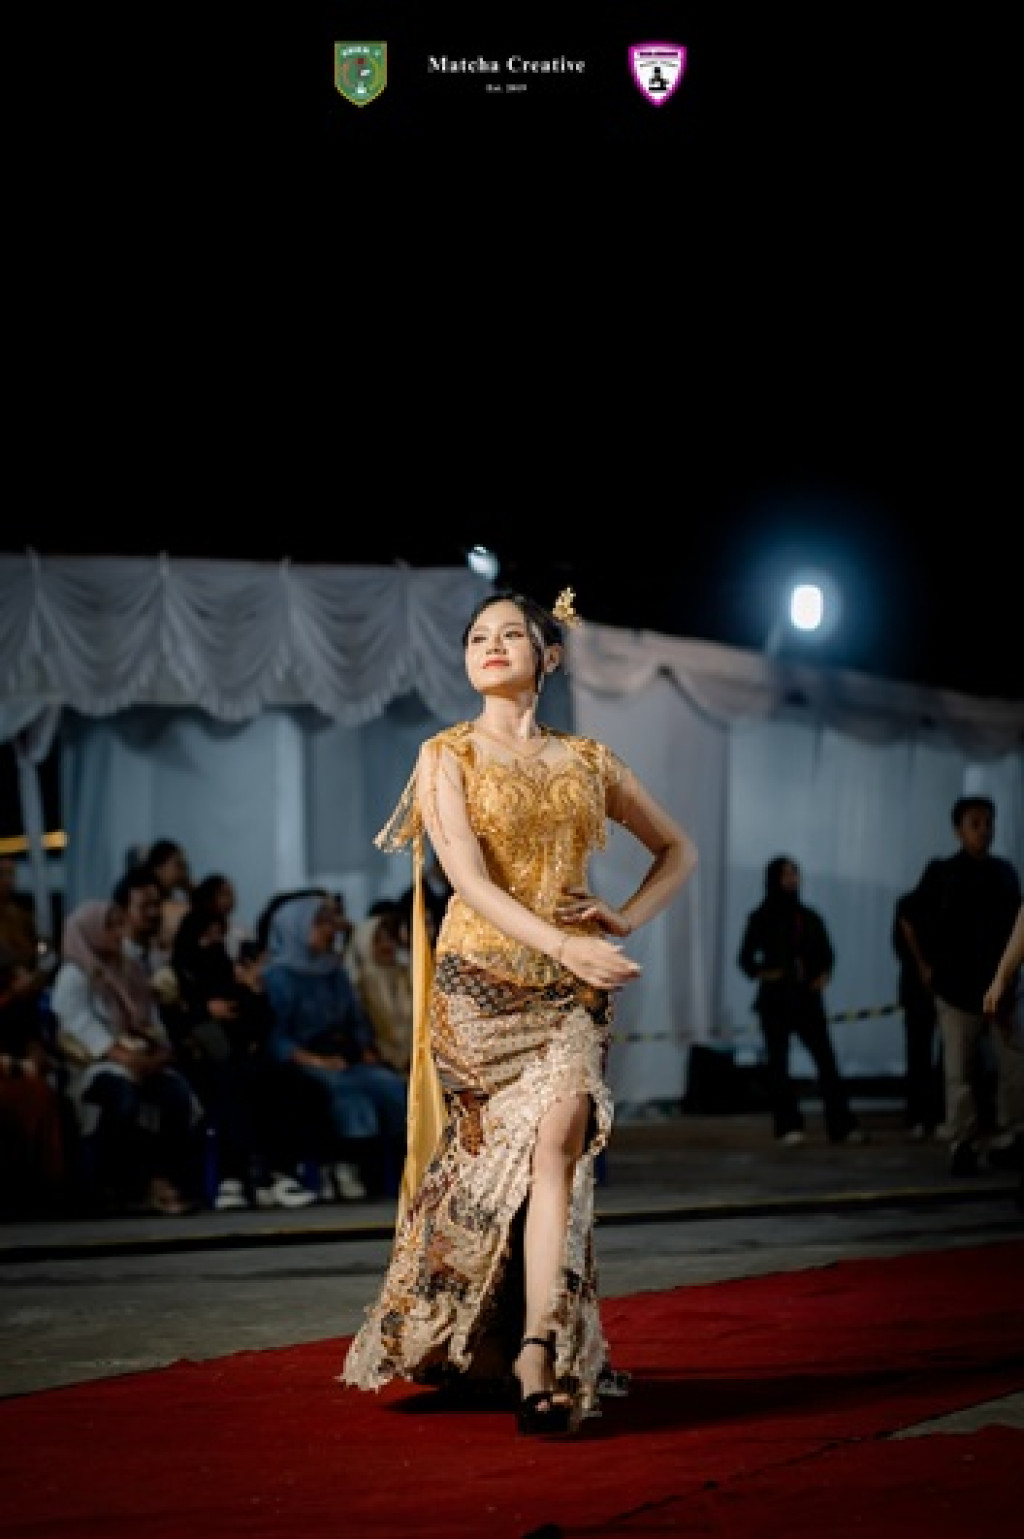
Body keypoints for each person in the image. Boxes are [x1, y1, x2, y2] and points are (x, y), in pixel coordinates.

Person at [341, 587, 697, 1437]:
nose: (491, 645)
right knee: (483, 1180)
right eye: (477, 636)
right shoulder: (446, 754)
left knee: (557, 1142)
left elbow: (678, 849)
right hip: (478, 993)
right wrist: (567, 944)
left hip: (570, 999)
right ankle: (484, 1342)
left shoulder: (589, 760)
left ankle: (541, 1346)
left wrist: (623, 918)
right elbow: (467, 880)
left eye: (511, 634)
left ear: (550, 656)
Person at [50, 898, 202, 1215]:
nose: (119, 933)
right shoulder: (75, 975)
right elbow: (80, 1027)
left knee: (176, 1094)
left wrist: (157, 1053)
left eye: (121, 924)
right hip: (94, 1065)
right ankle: (127, 1184)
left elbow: (150, 1019)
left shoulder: (128, 970)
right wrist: (126, 1058)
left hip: (141, 1059)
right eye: (111, 926)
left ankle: (164, 1178)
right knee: (122, 1096)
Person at [898, 796, 1023, 1176]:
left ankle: (1013, 1136)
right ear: (959, 830)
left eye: (988, 823)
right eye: (975, 823)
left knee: (1013, 1066)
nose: (984, 830)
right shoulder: (943, 872)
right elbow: (908, 915)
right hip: (956, 989)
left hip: (999, 989)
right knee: (959, 1070)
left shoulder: (1004, 873)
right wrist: (924, 967)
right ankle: (963, 1141)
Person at [170, 899, 315, 1211]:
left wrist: (254, 993)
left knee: (287, 1082)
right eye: (206, 935)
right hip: (197, 1064)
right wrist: (204, 1010)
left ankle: (278, 1174)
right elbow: (172, 1022)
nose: (212, 943)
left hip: (242, 1059)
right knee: (234, 1086)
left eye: (218, 935)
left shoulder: (230, 976)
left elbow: (256, 1025)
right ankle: (233, 1177)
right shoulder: (175, 976)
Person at [262, 894, 408, 1202]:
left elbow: (356, 1020)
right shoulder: (279, 976)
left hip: (343, 1057)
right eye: (320, 923)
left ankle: (399, 1171)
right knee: (348, 1094)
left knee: (392, 1087)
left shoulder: (334, 972)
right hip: (303, 1061)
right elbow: (275, 1035)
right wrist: (316, 1060)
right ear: (296, 927)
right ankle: (346, 1166)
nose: (330, 930)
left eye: (330, 923)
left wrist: (364, 1048)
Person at [738, 856, 867, 1147]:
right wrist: (767, 973)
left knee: (827, 1062)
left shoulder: (808, 918)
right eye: (786, 875)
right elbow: (745, 959)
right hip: (776, 1002)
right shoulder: (761, 917)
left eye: (794, 874)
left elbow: (827, 954)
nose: (792, 880)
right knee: (779, 1066)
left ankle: (841, 1126)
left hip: (807, 999)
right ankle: (788, 1125)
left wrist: (823, 975)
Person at [892, 890, 944, 1139]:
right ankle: (925, 1115)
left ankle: (927, 1115)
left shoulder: (910, 905)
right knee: (925, 1055)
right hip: (927, 990)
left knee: (933, 1056)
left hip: (934, 988)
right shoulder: (912, 906)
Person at [345, 912, 414, 1075]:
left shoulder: (406, 974)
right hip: (379, 1061)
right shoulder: (360, 983)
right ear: (365, 943)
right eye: (379, 940)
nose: (387, 945)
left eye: (391, 938)